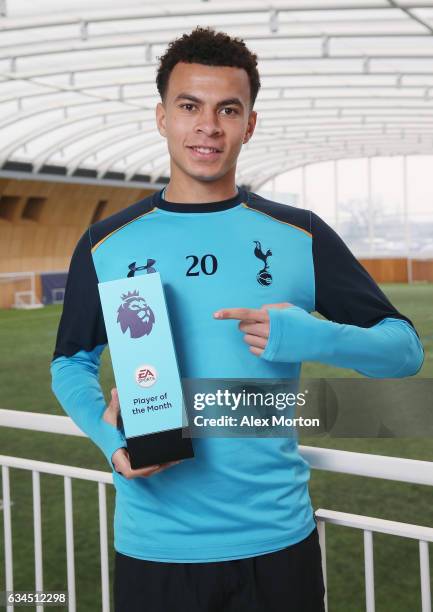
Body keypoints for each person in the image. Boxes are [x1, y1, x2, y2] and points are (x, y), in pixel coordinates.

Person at [50, 27, 424, 612]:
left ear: (249, 123)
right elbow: (70, 362)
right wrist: (110, 438)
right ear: (162, 117)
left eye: (228, 108)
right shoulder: (106, 241)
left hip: (277, 545)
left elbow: (404, 350)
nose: (208, 125)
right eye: (189, 106)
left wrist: (309, 334)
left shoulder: (300, 233)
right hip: (156, 549)